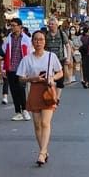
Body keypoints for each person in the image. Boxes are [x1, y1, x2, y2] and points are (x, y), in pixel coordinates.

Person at [17, 30, 64, 165]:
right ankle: (43, 149)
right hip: (34, 89)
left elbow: (60, 72)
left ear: (45, 42)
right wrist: (33, 78)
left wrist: (52, 77)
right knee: (37, 125)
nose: (38, 42)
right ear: (32, 42)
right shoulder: (27, 59)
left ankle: (42, 153)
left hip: (48, 90)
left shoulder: (51, 56)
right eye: (36, 40)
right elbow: (20, 78)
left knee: (45, 123)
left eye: (41, 40)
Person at [3, 18, 32, 121]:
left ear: (20, 26)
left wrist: (29, 69)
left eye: (14, 25)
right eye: (11, 25)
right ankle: (17, 112)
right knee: (14, 91)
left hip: (22, 69)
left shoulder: (26, 39)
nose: (12, 27)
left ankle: (25, 110)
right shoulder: (8, 38)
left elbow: (29, 54)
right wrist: (4, 67)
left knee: (21, 89)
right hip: (10, 68)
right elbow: (4, 52)